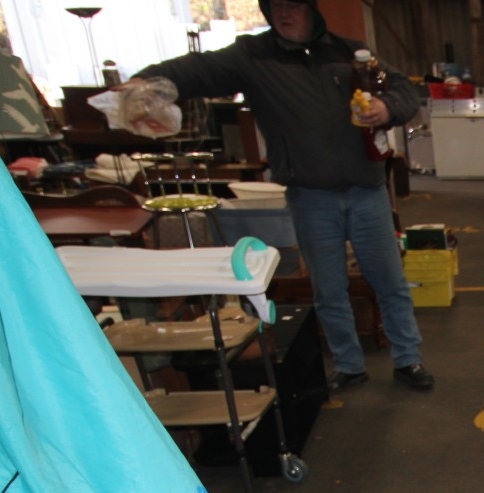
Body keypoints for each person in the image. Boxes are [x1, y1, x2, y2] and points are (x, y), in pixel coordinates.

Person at [130, 0, 434, 392]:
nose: (284, 14)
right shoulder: (252, 56)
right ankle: (349, 365)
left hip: (367, 191)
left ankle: (408, 359)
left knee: (390, 283)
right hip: (310, 196)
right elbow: (199, 69)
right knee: (329, 290)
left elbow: (404, 89)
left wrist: (387, 106)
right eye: (275, 6)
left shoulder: (350, 52)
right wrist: (145, 82)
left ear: (311, 9)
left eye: (293, 5)